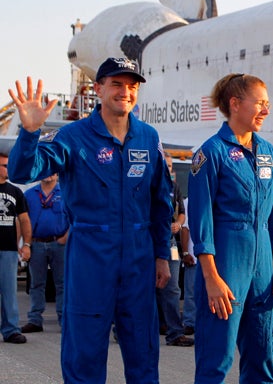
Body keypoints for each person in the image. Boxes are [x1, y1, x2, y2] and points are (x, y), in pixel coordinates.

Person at [8, 58, 173, 383]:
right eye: (116, 84)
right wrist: (29, 134)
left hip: (139, 261)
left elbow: (161, 202)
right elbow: (21, 172)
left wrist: (162, 256)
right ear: (98, 88)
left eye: (132, 85)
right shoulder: (73, 136)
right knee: (84, 355)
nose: (124, 91)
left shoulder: (149, 138)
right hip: (90, 258)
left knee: (143, 354)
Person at [188, 73, 273, 382]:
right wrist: (211, 278)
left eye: (268, 104)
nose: (266, 110)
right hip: (225, 262)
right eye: (260, 103)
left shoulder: (268, 153)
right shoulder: (211, 153)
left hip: (263, 267)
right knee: (216, 360)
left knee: (262, 358)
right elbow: (201, 221)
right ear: (235, 104)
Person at [21, 173, 68, 333]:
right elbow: (22, 219)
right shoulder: (29, 194)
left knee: (62, 284)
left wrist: (67, 236)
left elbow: (75, 216)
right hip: (37, 244)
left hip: (59, 244)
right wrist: (24, 245)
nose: (48, 175)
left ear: (57, 174)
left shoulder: (66, 192)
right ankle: (35, 320)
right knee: (36, 284)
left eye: (52, 171)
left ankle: (64, 319)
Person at [155, 154, 193, 346]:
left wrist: (178, 224)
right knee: (144, 287)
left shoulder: (174, 188)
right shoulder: (146, 185)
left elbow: (182, 213)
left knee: (172, 288)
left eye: (170, 166)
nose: (167, 169)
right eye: (165, 165)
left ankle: (175, 332)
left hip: (170, 244)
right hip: (149, 241)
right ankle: (123, 330)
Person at [0, 153, 31, 344]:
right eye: (4, 165)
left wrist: (26, 245)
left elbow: (24, 219)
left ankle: (11, 330)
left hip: (8, 249)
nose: (7, 169)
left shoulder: (15, 192)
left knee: (9, 291)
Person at [179, 197, 196, 335]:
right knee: (191, 292)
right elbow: (185, 229)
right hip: (193, 256)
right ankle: (190, 322)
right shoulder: (188, 202)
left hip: (212, 256)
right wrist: (185, 252)